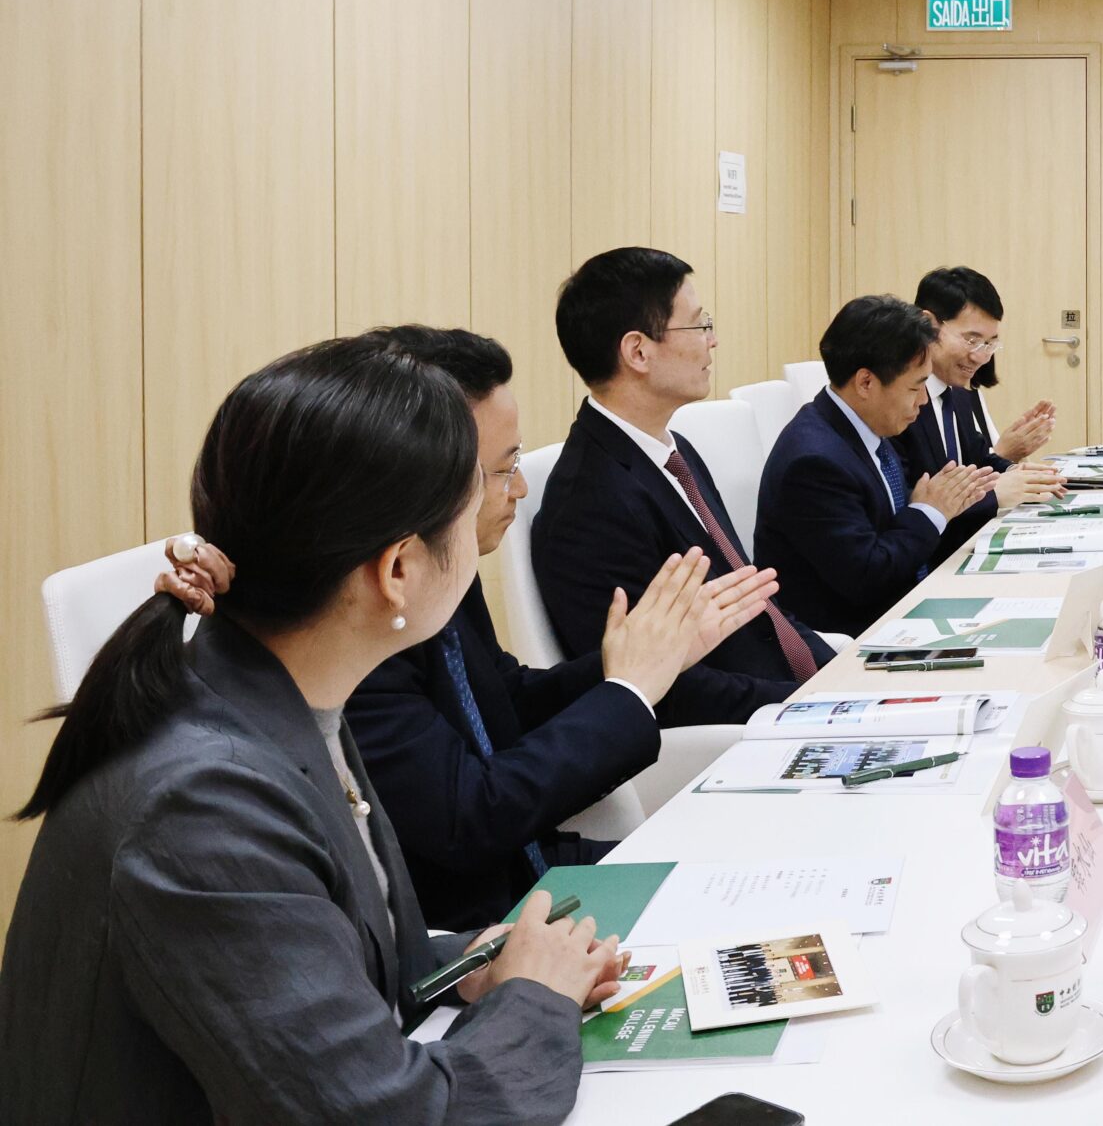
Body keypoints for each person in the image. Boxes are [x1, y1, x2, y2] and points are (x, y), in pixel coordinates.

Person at [0, 336, 621, 1125]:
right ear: (398, 569)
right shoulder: (204, 808)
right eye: (476, 504)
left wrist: (460, 965)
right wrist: (535, 998)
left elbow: (324, 952)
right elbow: (389, 1114)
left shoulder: (281, 688)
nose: (505, 505)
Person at [349, 326, 787, 931]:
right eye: (504, 469)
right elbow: (470, 819)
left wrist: (638, 659)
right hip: (480, 928)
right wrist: (626, 692)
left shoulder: (446, 568)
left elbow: (507, 702)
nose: (521, 488)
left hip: (542, 870)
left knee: (767, 873)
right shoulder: (356, 634)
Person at [533, 247, 833, 709]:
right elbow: (658, 686)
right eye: (698, 325)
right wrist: (805, 702)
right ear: (638, 351)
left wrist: (842, 672)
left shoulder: (675, 451)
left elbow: (756, 606)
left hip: (789, 689)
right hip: (743, 727)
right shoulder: (591, 505)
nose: (712, 341)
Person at [759, 296, 997, 637]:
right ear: (866, 383)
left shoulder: (866, 427)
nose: (923, 401)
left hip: (900, 610)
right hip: (854, 638)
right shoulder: (814, 462)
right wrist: (931, 511)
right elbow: (867, 577)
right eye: (916, 387)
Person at [893, 266, 1063, 550]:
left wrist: (1018, 473)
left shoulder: (959, 391)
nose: (980, 357)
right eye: (971, 340)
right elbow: (908, 503)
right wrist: (994, 495)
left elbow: (978, 459)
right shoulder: (900, 400)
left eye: (990, 344)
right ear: (928, 325)